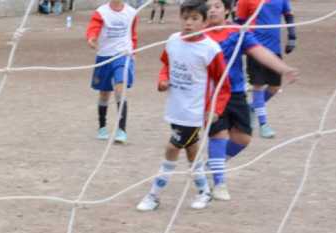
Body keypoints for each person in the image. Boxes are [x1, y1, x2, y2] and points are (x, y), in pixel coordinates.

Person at [137, 0, 230, 212]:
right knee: (191, 152)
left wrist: (216, 109)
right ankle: (204, 191)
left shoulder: (210, 49)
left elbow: (223, 84)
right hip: (175, 108)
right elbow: (166, 65)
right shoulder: (172, 41)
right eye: (185, 18)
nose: (189, 23)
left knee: (172, 148)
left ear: (205, 22)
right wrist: (162, 81)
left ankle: (154, 195)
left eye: (195, 19)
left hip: (195, 112)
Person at [203, 0, 299, 200]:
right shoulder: (198, 35)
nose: (212, 10)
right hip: (209, 95)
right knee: (219, 135)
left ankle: (213, 164)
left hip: (235, 92)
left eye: (217, 6)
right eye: (208, 6)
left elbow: (259, 51)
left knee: (242, 138)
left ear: (227, 10)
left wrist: (283, 68)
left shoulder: (237, 32)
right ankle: (219, 183)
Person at [236, 0, 296, 139]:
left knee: (274, 87)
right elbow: (239, 23)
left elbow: (289, 15)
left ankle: (252, 108)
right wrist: (240, 45)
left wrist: (292, 37)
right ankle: (263, 124)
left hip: (274, 48)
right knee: (258, 85)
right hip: (255, 48)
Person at [86, 0, 139, 144]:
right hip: (104, 55)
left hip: (123, 55)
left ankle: (122, 130)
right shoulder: (101, 12)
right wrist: (92, 38)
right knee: (104, 94)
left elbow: (132, 33)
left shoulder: (131, 13)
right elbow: (93, 28)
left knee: (119, 88)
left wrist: (133, 50)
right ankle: (102, 127)